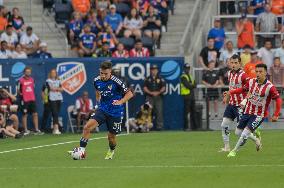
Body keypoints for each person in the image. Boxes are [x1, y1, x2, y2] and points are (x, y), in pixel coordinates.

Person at [70, 61, 133, 160]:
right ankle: (81, 151)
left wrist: (121, 101)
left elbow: (130, 94)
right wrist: (98, 104)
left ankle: (111, 150)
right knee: (87, 127)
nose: (103, 76)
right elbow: (97, 92)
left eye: (105, 74)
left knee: (111, 137)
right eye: (101, 73)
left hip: (115, 112)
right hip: (103, 109)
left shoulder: (116, 81)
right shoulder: (96, 80)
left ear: (110, 72)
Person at [227, 64, 282, 157]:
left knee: (244, 134)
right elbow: (242, 89)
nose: (258, 74)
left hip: (259, 115)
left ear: (265, 72)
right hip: (247, 111)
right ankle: (256, 139)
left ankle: (233, 151)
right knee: (238, 132)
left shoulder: (270, 87)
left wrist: (276, 114)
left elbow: (278, 100)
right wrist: (230, 92)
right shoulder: (251, 81)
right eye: (256, 72)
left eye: (260, 72)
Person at [219, 54, 248, 152]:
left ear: (240, 63)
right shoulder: (229, 74)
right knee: (224, 125)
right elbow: (231, 88)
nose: (233, 65)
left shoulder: (243, 75)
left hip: (240, 105)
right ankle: (227, 147)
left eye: (236, 63)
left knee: (239, 132)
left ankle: (256, 139)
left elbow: (246, 89)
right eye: (232, 62)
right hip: (231, 104)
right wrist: (226, 97)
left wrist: (245, 101)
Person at [18, 67, 43, 135]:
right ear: (24, 72)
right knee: (25, 115)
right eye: (27, 72)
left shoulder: (32, 79)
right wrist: (23, 97)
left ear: (30, 72)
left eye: (29, 72)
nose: (28, 73)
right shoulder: (20, 80)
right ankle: (25, 130)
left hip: (32, 100)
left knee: (35, 114)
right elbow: (19, 91)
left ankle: (36, 130)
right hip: (24, 100)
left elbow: (33, 88)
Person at [143, 64, 166, 130]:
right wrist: (151, 93)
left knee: (159, 111)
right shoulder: (147, 79)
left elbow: (163, 87)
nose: (154, 71)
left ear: (157, 70)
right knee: (147, 111)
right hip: (149, 97)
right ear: (150, 71)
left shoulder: (161, 78)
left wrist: (158, 92)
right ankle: (147, 126)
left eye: (155, 70)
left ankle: (160, 126)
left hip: (158, 97)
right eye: (152, 70)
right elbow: (144, 88)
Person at [46, 69, 63, 135]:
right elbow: (50, 88)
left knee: (56, 114)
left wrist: (56, 89)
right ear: (50, 74)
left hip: (59, 98)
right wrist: (57, 89)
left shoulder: (58, 80)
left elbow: (62, 89)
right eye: (52, 73)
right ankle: (56, 128)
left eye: (54, 73)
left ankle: (54, 129)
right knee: (55, 113)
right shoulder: (48, 81)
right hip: (52, 98)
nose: (53, 74)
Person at [180, 64, 197, 131]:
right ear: (184, 69)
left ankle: (194, 127)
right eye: (186, 68)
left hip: (192, 96)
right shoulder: (183, 77)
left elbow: (195, 84)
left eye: (188, 68)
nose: (187, 69)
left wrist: (191, 85)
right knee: (186, 112)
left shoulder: (191, 76)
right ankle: (186, 127)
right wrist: (191, 85)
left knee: (193, 111)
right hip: (186, 96)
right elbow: (188, 86)